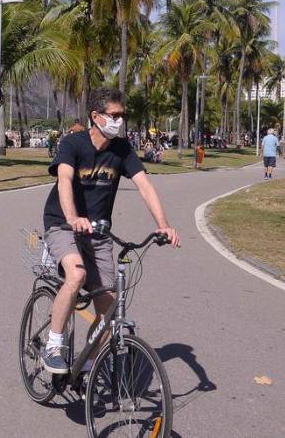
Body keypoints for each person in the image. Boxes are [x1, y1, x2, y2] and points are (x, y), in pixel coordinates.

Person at [41, 88, 179, 375]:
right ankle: (53, 344)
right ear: (96, 117)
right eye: (114, 115)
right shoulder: (73, 143)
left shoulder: (122, 149)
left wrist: (163, 224)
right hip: (63, 223)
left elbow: (144, 185)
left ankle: (87, 364)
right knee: (76, 275)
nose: (119, 121)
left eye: (122, 116)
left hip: (99, 232)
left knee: (109, 307)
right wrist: (73, 217)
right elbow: (65, 179)